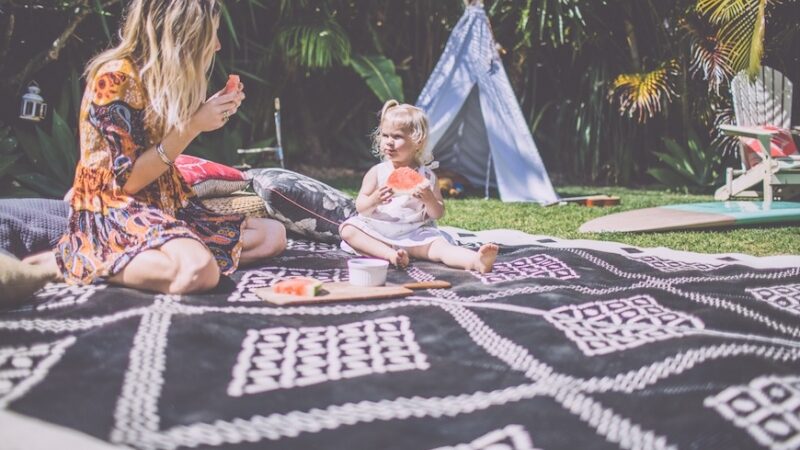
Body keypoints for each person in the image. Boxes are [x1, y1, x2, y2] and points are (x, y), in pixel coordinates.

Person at [43, 0, 286, 294]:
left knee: (273, 235)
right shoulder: (114, 79)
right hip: (117, 208)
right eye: (212, 34)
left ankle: (160, 257)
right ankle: (75, 260)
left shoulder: (162, 79)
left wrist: (209, 111)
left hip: (165, 205)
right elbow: (129, 182)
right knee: (199, 271)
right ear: (183, 34)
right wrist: (193, 125)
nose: (219, 45)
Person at [339, 100, 498, 273]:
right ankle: (390, 255)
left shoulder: (428, 176)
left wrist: (429, 198)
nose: (389, 142)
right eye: (385, 136)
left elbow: (438, 213)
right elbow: (360, 207)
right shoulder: (376, 172)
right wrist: (374, 200)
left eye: (397, 136)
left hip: (416, 234)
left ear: (418, 142)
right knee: (348, 230)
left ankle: (476, 261)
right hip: (379, 233)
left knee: (441, 248)